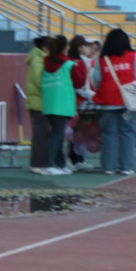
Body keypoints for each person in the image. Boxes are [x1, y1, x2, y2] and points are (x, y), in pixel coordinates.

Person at [92, 29, 136, 176]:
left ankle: (108, 167)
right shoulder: (133, 57)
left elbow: (96, 80)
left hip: (108, 101)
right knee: (128, 132)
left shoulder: (101, 59)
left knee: (109, 133)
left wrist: (104, 91)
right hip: (128, 102)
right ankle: (126, 167)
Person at [40, 35, 84, 175]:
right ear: (65, 47)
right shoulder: (69, 64)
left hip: (49, 102)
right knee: (57, 135)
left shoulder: (45, 63)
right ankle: (50, 164)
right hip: (63, 102)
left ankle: (60, 164)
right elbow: (79, 82)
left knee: (56, 134)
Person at [67, 35, 95, 170]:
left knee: (77, 132)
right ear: (80, 47)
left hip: (77, 100)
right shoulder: (77, 62)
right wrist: (91, 95)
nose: (87, 48)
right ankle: (73, 159)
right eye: (85, 46)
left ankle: (78, 159)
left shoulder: (75, 61)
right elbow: (79, 84)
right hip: (77, 101)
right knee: (74, 132)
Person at [26, 36, 53, 174]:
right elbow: (39, 80)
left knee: (42, 133)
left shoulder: (39, 59)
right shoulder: (38, 60)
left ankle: (41, 163)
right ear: (45, 48)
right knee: (40, 134)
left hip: (40, 101)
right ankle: (37, 164)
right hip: (38, 102)